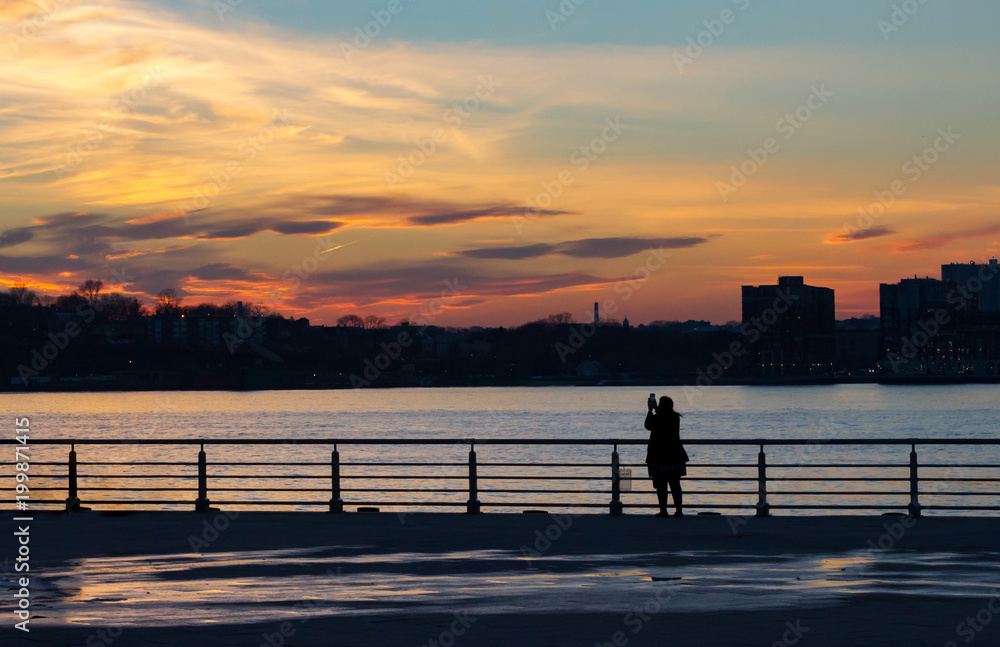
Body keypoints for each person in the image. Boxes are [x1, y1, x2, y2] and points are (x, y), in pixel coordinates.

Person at [644, 395, 689, 517]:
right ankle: (679, 510)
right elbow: (663, 419)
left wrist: (650, 410)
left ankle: (663, 510)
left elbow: (648, 426)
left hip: (659, 455)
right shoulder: (675, 417)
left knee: (661, 485)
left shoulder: (658, 418)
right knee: (675, 484)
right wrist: (656, 411)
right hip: (674, 454)